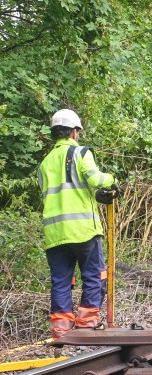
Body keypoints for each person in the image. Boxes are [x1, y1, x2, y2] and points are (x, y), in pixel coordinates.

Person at [38, 109, 117, 340]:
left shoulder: (44, 164)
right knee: (94, 275)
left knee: (61, 280)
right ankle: (86, 322)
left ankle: (61, 327)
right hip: (83, 230)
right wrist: (111, 179)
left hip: (55, 233)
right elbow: (94, 179)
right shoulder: (80, 152)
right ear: (74, 132)